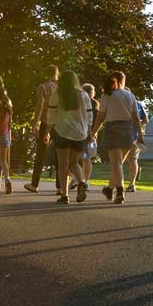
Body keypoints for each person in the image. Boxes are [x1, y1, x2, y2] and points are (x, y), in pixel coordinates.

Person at [90, 71, 143, 204]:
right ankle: (109, 188)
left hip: (112, 129)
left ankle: (120, 191)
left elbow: (101, 116)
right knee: (118, 164)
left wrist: (94, 131)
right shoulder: (129, 95)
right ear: (121, 81)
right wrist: (140, 134)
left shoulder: (107, 95)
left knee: (116, 164)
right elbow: (136, 117)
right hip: (128, 130)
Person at [46, 70, 92, 204]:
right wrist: (89, 132)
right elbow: (90, 115)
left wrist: (47, 132)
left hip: (62, 132)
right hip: (80, 134)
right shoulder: (84, 95)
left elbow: (51, 116)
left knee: (63, 164)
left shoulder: (57, 94)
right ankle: (81, 183)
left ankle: (65, 195)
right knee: (73, 163)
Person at [25, 64, 60, 194]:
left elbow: (39, 106)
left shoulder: (43, 87)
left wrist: (35, 124)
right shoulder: (62, 87)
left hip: (46, 121)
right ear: (58, 73)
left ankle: (34, 184)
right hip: (61, 123)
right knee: (60, 155)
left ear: (47, 74)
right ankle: (60, 187)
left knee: (40, 154)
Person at [126, 95, 148, 192]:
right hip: (135, 136)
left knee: (118, 160)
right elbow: (146, 120)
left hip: (123, 134)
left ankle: (116, 184)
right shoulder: (138, 104)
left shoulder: (122, 103)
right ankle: (132, 183)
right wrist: (138, 125)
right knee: (133, 159)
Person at [81, 84, 100, 189]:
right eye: (93, 91)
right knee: (87, 158)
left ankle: (80, 179)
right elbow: (97, 119)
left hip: (82, 133)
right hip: (91, 134)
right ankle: (85, 180)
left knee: (84, 158)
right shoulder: (95, 103)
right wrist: (94, 132)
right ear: (90, 92)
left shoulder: (81, 102)